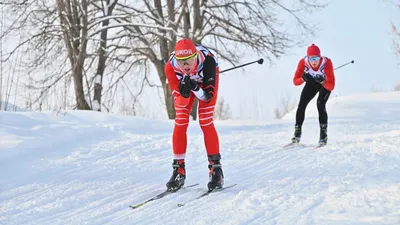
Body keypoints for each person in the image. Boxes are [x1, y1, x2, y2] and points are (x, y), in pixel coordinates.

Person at [164, 38, 223, 191]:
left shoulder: (207, 61)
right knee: (181, 120)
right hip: (186, 84)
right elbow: (179, 104)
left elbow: (207, 97)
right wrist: (183, 95)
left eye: (189, 60)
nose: (186, 66)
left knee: (205, 120)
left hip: (204, 83)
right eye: (181, 61)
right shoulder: (171, 68)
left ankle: (216, 169)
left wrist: (196, 88)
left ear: (196, 56)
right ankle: (179, 170)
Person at [291, 43, 335, 145]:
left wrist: (323, 81)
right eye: (311, 59)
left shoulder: (327, 63)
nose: (314, 62)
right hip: (311, 83)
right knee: (302, 104)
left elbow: (331, 86)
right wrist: (303, 78)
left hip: (325, 85)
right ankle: (297, 132)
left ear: (320, 57)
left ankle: (323, 134)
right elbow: (295, 81)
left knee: (320, 104)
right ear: (308, 58)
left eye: (316, 58)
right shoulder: (303, 62)